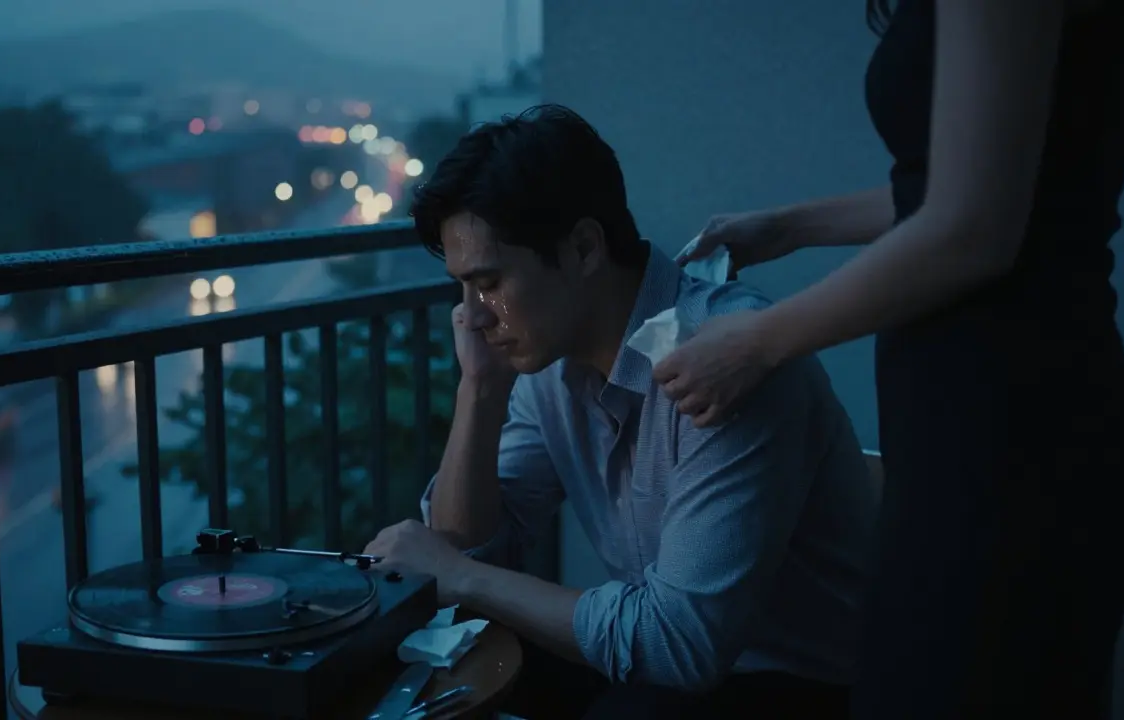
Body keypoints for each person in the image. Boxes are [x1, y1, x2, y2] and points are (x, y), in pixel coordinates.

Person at [656, 1, 1124, 717]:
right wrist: (789, 226)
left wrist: (758, 342)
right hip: (982, 427)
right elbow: (963, 189)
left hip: (1017, 432)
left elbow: (972, 228)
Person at [364, 105, 878, 719]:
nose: (472, 314)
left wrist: (461, 575)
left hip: (807, 685)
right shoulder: (549, 360)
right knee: (422, 672)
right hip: (675, 667)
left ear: (583, 248)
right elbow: (468, 549)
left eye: (490, 282)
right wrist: (479, 389)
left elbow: (681, 646)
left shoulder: (729, 356)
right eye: (462, 287)